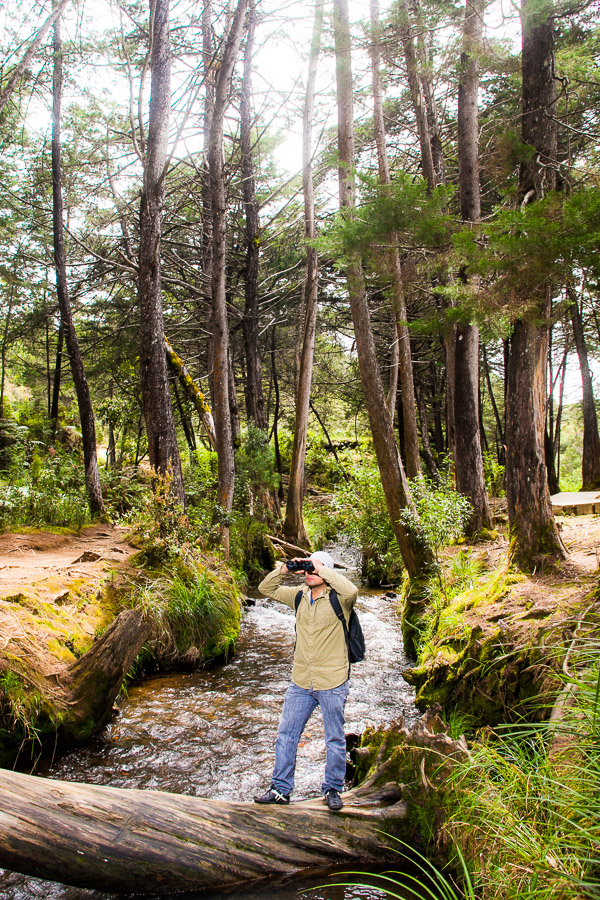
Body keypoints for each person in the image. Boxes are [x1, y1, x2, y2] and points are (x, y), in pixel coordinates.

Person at [254, 550, 358, 811]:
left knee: (334, 738)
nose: (310, 572)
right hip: (300, 681)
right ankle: (280, 789)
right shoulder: (299, 596)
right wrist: (287, 569)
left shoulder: (339, 599)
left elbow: (352, 590)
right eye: (308, 568)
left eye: (316, 568)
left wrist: (319, 567)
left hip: (332, 681)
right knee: (286, 735)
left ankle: (333, 788)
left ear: (327, 572)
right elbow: (265, 588)